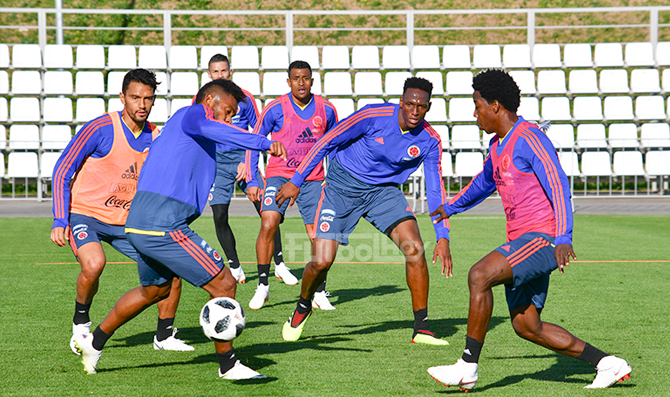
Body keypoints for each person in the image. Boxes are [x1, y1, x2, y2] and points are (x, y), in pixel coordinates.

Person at [426, 69, 631, 390]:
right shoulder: (497, 146)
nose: (474, 113)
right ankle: (607, 363)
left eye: (477, 105)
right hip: (524, 242)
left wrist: (563, 237)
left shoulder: (531, 138)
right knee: (527, 326)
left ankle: (467, 365)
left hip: (544, 239)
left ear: (495, 106)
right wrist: (449, 207)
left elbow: (559, 186)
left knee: (479, 275)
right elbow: (483, 183)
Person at [72, 78, 287, 379]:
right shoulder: (192, 114)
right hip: (163, 222)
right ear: (211, 100)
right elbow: (217, 128)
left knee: (154, 289)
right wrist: (263, 142)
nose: (228, 118)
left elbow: (214, 139)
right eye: (227, 110)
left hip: (139, 223)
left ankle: (94, 343)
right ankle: (229, 366)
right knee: (224, 283)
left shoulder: (192, 130)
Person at [277, 77, 451, 346]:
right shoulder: (373, 115)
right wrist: (296, 180)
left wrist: (442, 235)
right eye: (409, 104)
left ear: (429, 107)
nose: (415, 111)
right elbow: (327, 141)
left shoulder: (430, 140)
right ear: (401, 102)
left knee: (415, 248)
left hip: (383, 192)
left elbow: (436, 188)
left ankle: (422, 327)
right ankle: (302, 306)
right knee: (321, 261)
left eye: (422, 106)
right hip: (341, 187)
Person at [50, 69, 192, 354]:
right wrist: (59, 218)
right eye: (135, 97)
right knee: (94, 264)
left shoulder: (156, 136)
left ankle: (164, 336)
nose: (142, 104)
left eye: (148, 99)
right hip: (86, 215)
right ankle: (81, 325)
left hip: (129, 221)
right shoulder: (101, 128)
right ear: (122, 97)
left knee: (172, 269)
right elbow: (63, 170)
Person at [245, 60, 338, 310]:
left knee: (319, 234)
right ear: (289, 82)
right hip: (279, 177)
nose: (301, 83)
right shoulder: (275, 109)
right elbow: (254, 141)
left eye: (305, 78)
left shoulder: (327, 109)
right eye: (296, 78)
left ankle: (319, 292)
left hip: (314, 180)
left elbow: (335, 146)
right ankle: (263, 286)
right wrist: (253, 178)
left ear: (312, 81)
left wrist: (335, 179)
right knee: (268, 222)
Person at [205, 54, 286, 285]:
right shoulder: (203, 100)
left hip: (243, 159)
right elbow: (199, 133)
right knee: (219, 215)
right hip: (217, 163)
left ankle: (279, 263)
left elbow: (258, 130)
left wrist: (247, 160)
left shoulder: (244, 97)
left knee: (266, 210)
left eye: (224, 71)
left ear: (230, 72)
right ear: (209, 75)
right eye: (215, 72)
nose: (220, 75)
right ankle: (235, 267)